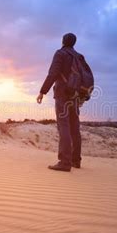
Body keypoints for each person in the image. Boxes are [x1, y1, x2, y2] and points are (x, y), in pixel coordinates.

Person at [37, 33, 82, 172]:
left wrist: (42, 91)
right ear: (74, 43)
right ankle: (76, 160)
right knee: (74, 127)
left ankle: (64, 162)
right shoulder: (79, 57)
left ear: (63, 41)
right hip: (75, 95)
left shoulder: (60, 54)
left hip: (63, 93)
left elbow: (53, 73)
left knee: (63, 126)